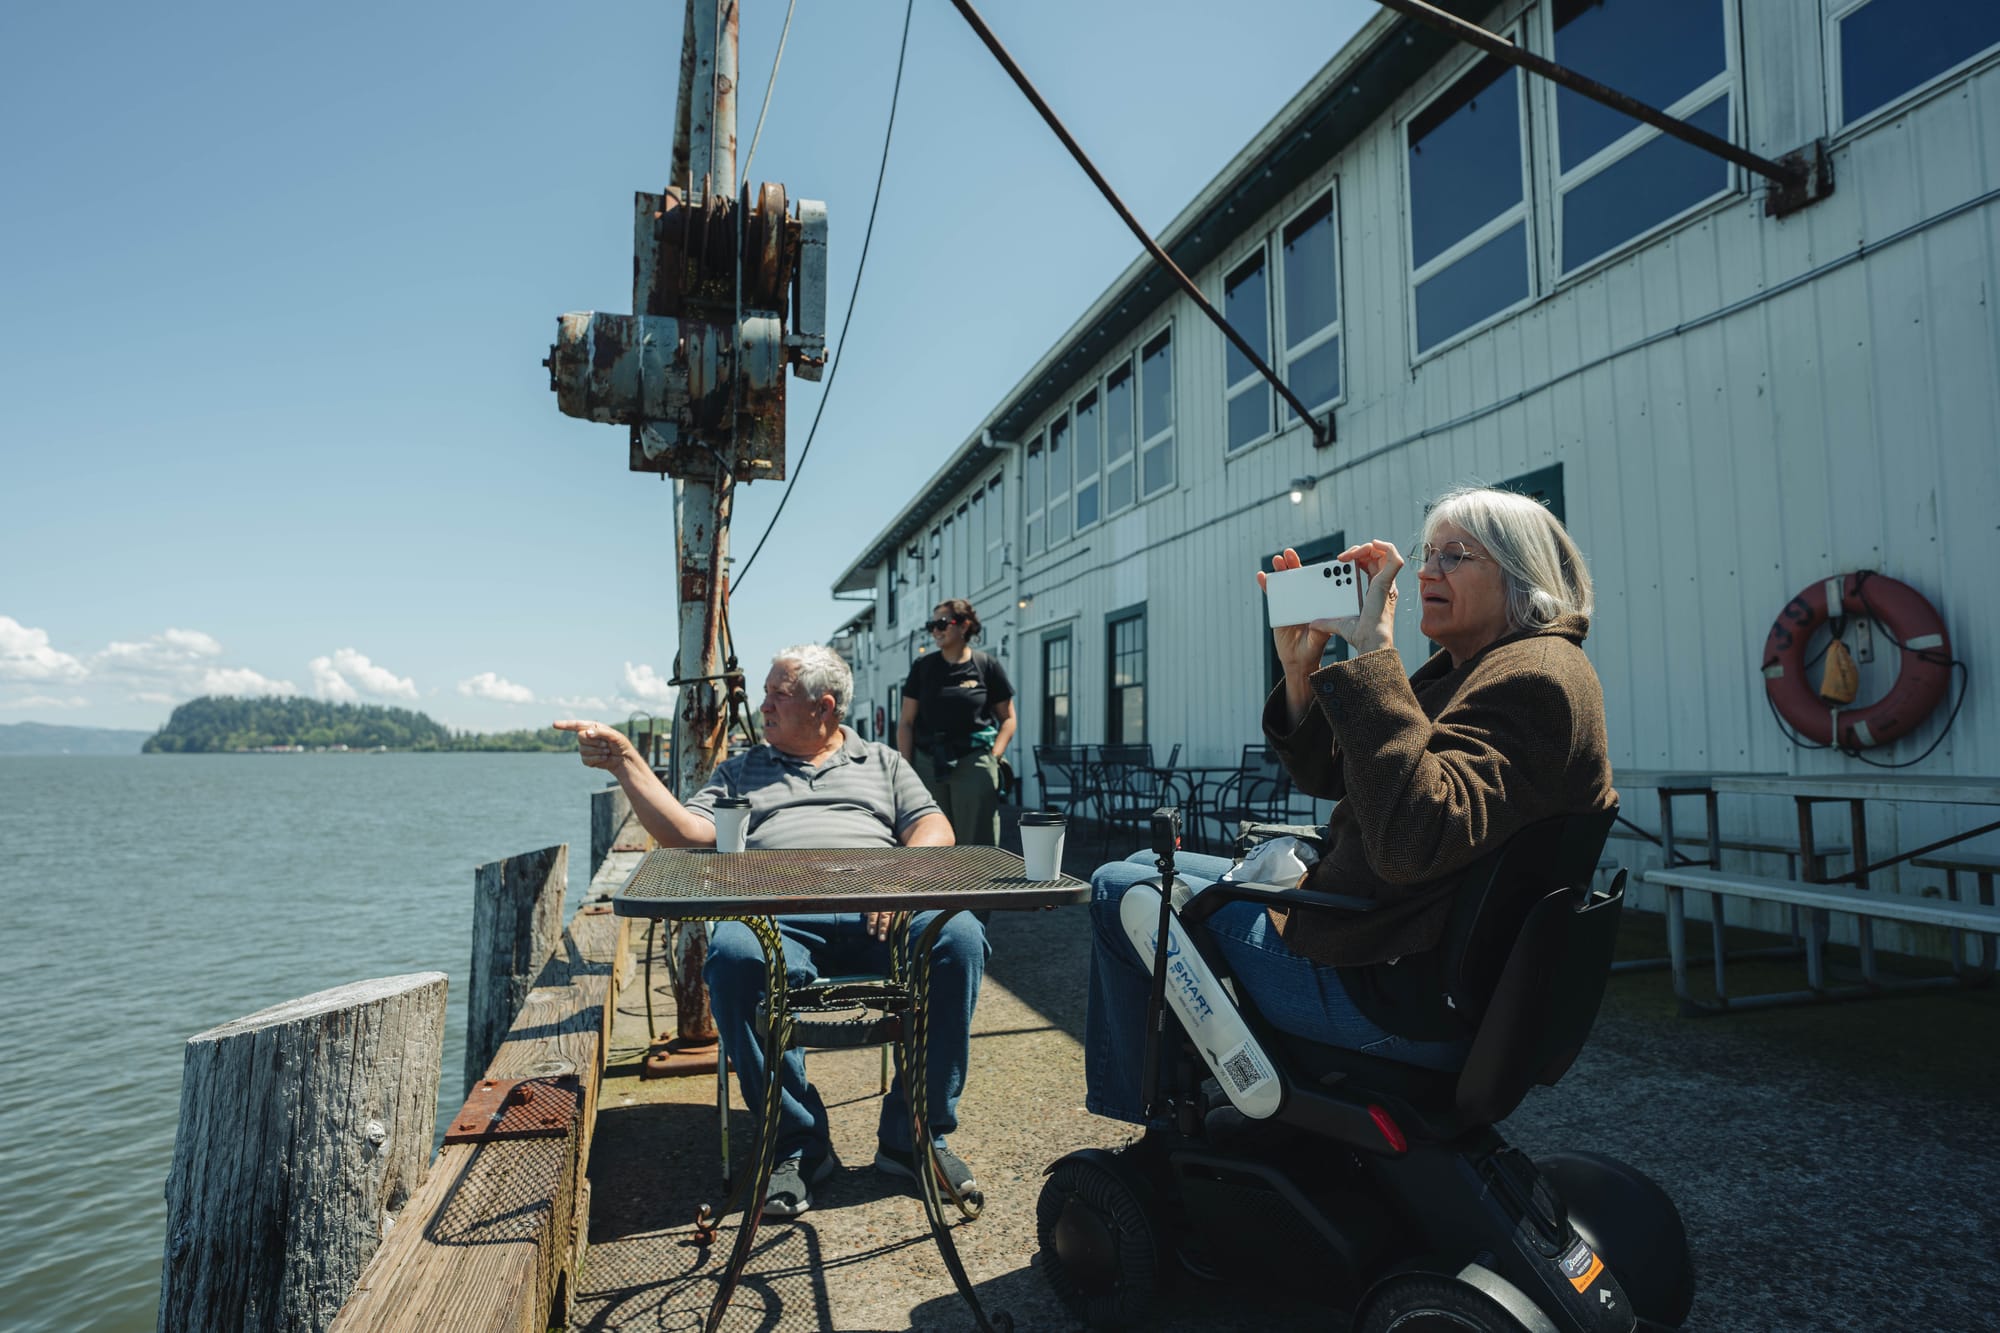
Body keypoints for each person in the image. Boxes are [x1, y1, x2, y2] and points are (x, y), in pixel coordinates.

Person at [1084, 485, 1614, 1127]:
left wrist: (1373, 655)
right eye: (1427, 554)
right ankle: (1196, 1089)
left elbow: (1410, 840)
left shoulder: (1534, 678)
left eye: (1454, 556)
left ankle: (1152, 1118)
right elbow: (1339, 775)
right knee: (1145, 862)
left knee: (1120, 888)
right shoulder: (1481, 666)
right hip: (1402, 945)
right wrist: (1301, 670)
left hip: (1393, 988)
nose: (1425, 572)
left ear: (1520, 575)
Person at [556, 644, 988, 1218]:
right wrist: (626, 762)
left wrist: (901, 882)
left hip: (882, 909)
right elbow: (686, 832)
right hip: (779, 917)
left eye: (777, 694)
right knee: (734, 954)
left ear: (823, 707)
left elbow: (935, 826)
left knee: (958, 936)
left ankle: (916, 1136)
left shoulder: (882, 762)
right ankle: (797, 1142)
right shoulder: (741, 770)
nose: (761, 706)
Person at [897, 599, 1017, 845]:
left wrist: (994, 755)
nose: (935, 631)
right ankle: (936, 885)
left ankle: (979, 885)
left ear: (964, 627)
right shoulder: (923, 667)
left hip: (973, 760)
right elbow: (906, 722)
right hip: (928, 762)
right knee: (931, 836)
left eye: (942, 623)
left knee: (977, 841)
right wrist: (907, 769)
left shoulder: (986, 665)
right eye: (932, 625)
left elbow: (1008, 719)